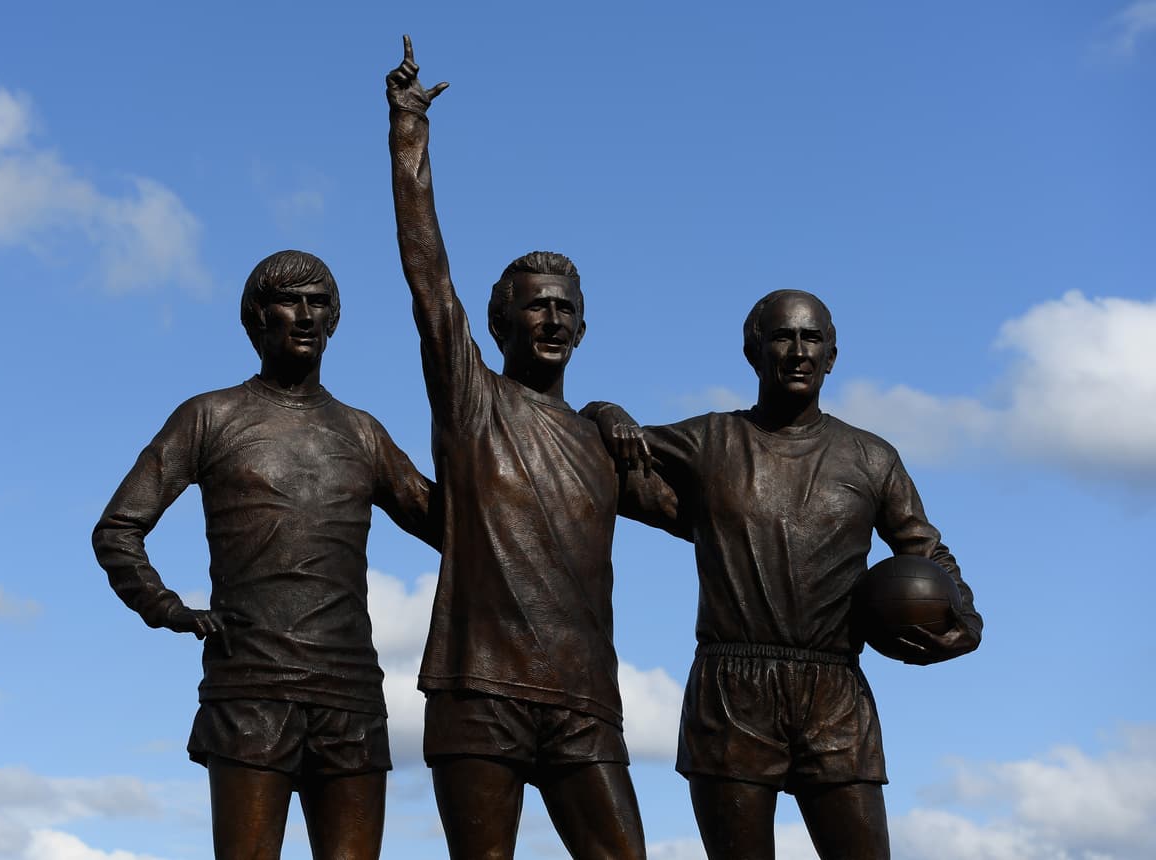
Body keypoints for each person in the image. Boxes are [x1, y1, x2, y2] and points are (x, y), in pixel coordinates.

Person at [385, 37, 680, 860]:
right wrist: (409, 134)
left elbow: (714, 522)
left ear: (583, 328)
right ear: (500, 322)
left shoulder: (601, 441)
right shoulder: (472, 398)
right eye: (535, 308)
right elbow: (426, 274)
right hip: (478, 689)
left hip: (585, 699)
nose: (551, 319)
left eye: (565, 310)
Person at [589, 289, 982, 859]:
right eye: (782, 337)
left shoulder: (872, 458)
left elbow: (928, 552)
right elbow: (596, 453)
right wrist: (604, 410)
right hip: (732, 690)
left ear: (831, 355)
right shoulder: (710, 440)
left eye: (811, 338)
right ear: (753, 351)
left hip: (835, 692)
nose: (798, 351)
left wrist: (964, 622)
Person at [91, 250, 439, 860]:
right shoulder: (209, 417)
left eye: (319, 302)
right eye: (289, 301)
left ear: (334, 320)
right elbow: (118, 529)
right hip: (249, 690)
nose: (304, 315)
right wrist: (169, 608)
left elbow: (452, 528)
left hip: (351, 694)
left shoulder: (363, 433)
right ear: (257, 317)